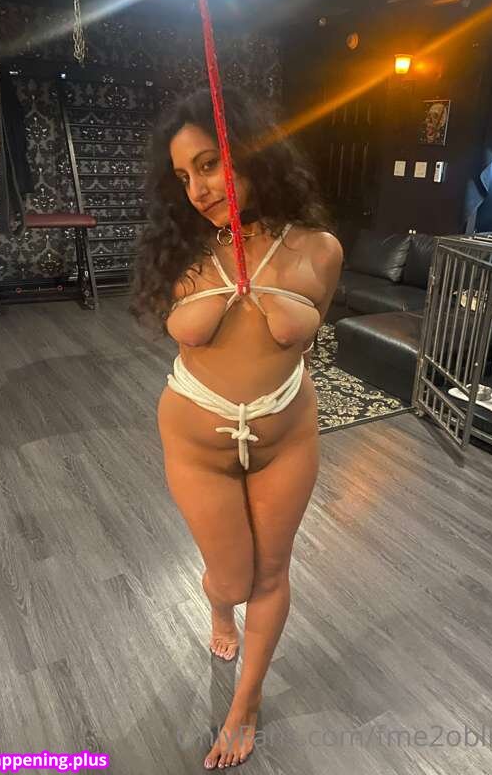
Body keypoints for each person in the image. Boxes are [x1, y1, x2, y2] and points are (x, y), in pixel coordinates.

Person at [129, 85, 343, 770]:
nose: (196, 189)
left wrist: (280, 303)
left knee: (272, 573)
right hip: (199, 441)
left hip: (286, 436)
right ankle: (219, 608)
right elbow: (185, 327)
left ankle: (245, 703)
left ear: (250, 151)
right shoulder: (181, 252)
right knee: (232, 579)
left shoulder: (320, 250)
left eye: (208, 164)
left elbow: (307, 337)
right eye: (183, 176)